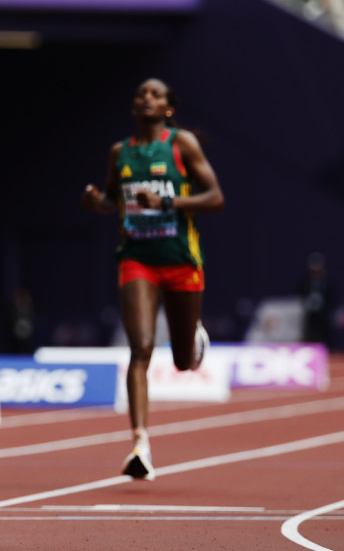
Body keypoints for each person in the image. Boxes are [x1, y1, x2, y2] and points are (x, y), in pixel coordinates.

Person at [81, 78, 224, 481]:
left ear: (168, 108)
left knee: (182, 362)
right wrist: (97, 203)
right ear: (134, 107)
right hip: (137, 259)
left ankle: (191, 337)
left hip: (180, 258)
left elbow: (215, 197)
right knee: (140, 346)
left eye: (156, 94)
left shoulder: (182, 146)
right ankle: (139, 443)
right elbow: (113, 199)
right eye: (141, 93)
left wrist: (168, 201)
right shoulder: (120, 152)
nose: (147, 98)